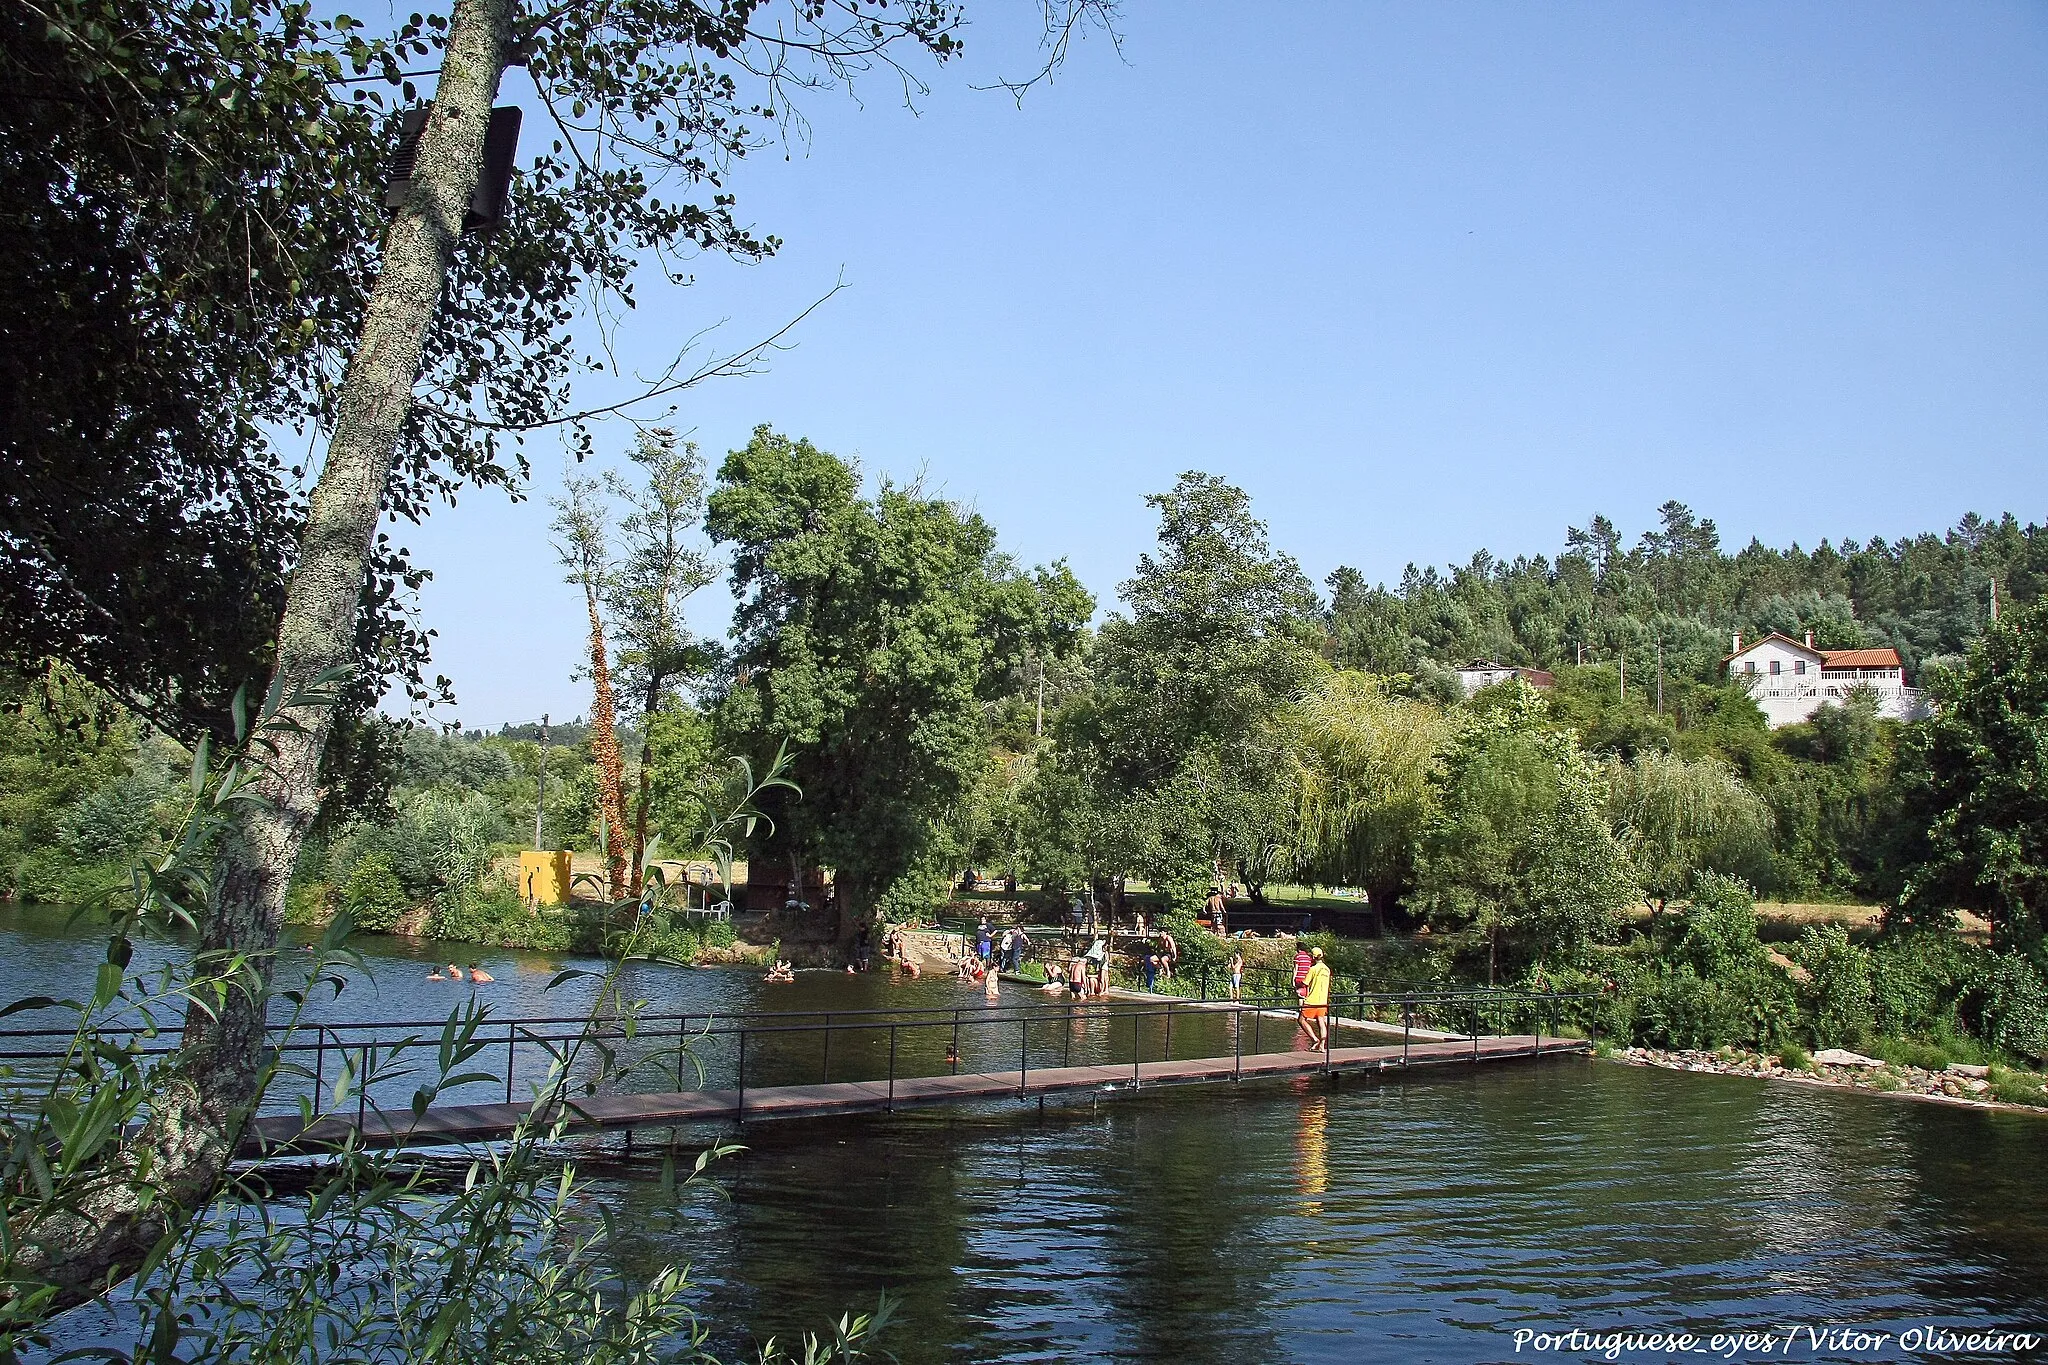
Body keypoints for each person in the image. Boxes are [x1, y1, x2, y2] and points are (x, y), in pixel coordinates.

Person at [1298, 946, 1332, 1050]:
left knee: (1301, 1020)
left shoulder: (1313, 969)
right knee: (1321, 1021)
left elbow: (1304, 983)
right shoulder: (1327, 969)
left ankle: (1314, 1039)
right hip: (1323, 1000)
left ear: (1313, 957)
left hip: (1312, 1000)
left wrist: (1297, 987)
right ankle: (1322, 1045)